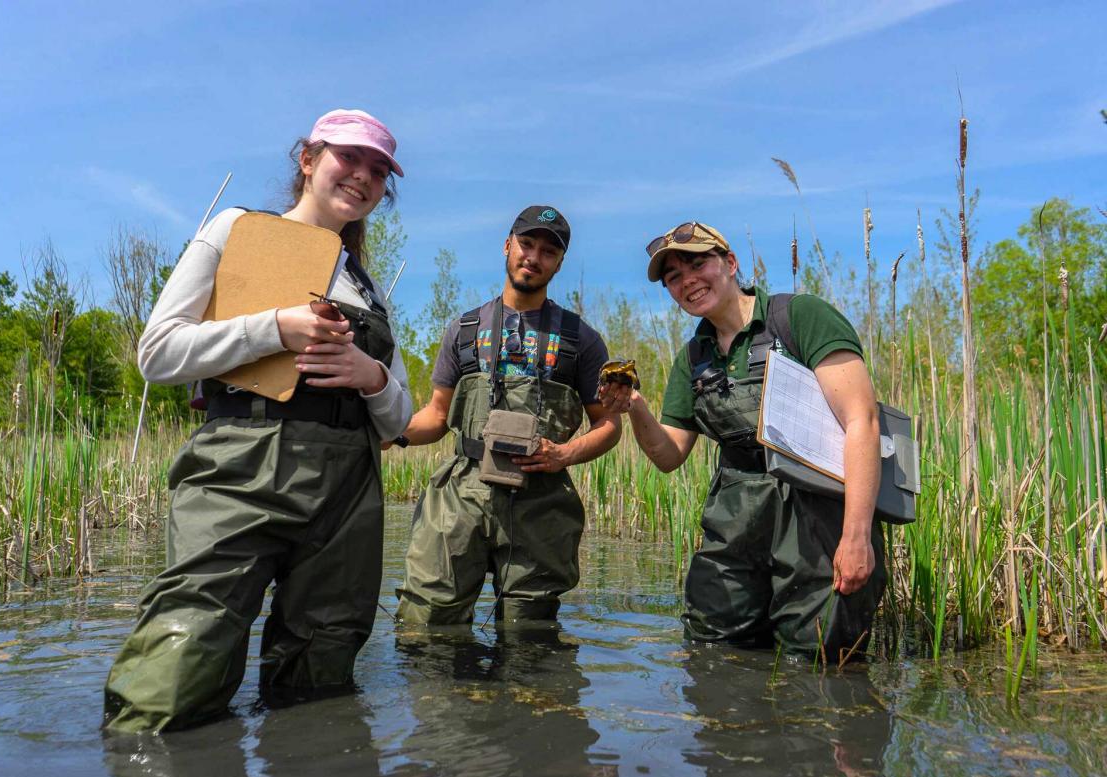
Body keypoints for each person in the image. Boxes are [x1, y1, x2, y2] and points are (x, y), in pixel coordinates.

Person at [103, 109, 413, 733]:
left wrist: (370, 375)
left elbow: (399, 417)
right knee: (176, 671)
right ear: (308, 159)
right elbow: (158, 352)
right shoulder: (238, 229)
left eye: (378, 171)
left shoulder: (368, 288)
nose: (363, 177)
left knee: (320, 682)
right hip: (239, 463)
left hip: (349, 490)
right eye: (348, 158)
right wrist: (276, 327)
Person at [599, 222, 885, 662]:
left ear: (730, 264)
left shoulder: (798, 317)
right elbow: (669, 455)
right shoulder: (693, 358)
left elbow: (861, 423)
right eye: (674, 276)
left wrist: (857, 536)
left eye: (698, 263)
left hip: (817, 526)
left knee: (817, 662)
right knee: (713, 653)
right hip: (736, 528)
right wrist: (634, 406)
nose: (688, 280)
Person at [394, 206, 621, 624]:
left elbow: (608, 426)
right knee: (427, 622)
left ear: (559, 263)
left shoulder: (581, 340)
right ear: (507, 245)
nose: (533, 257)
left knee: (529, 634)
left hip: (542, 500)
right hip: (461, 493)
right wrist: (390, 431)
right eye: (526, 244)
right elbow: (436, 416)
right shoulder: (463, 330)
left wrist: (564, 455)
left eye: (548, 251)